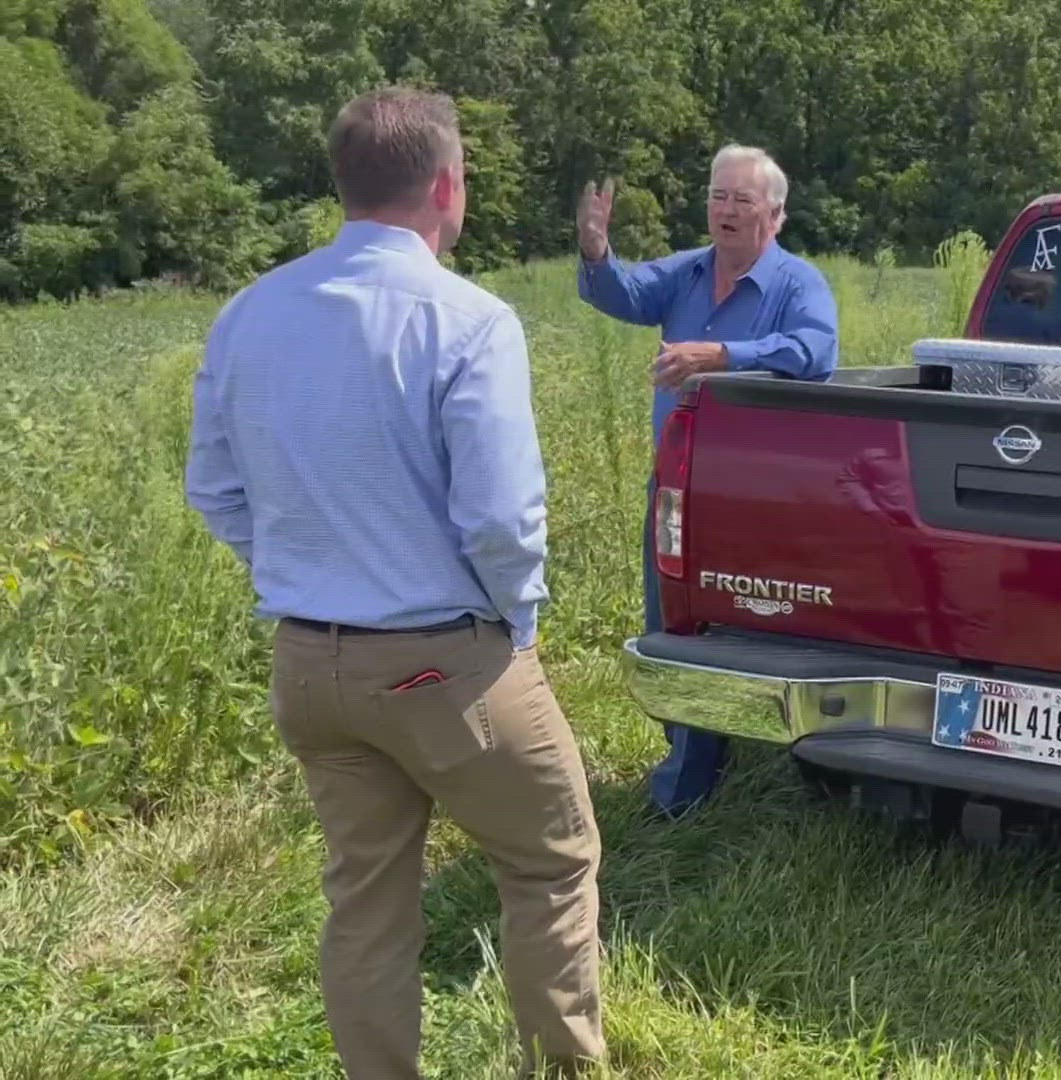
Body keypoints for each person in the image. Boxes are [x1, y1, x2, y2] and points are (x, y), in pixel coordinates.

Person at [186, 87, 602, 1078]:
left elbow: (214, 486)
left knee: (366, 901)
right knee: (551, 862)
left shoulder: (249, 313)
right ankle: (565, 1068)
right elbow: (500, 518)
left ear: (343, 183)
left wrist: (303, 565)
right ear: (448, 186)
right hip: (443, 663)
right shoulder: (467, 320)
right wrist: (517, 622)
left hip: (308, 666)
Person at [575, 144, 838, 817]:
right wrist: (598, 253)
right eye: (717, 196)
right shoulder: (688, 274)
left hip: (760, 493)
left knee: (764, 617)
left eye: (741, 200)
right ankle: (685, 783)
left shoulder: (796, 283)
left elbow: (815, 351)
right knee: (675, 619)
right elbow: (627, 294)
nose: (724, 210)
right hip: (682, 488)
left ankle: (796, 754)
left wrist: (722, 356)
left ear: (774, 215)